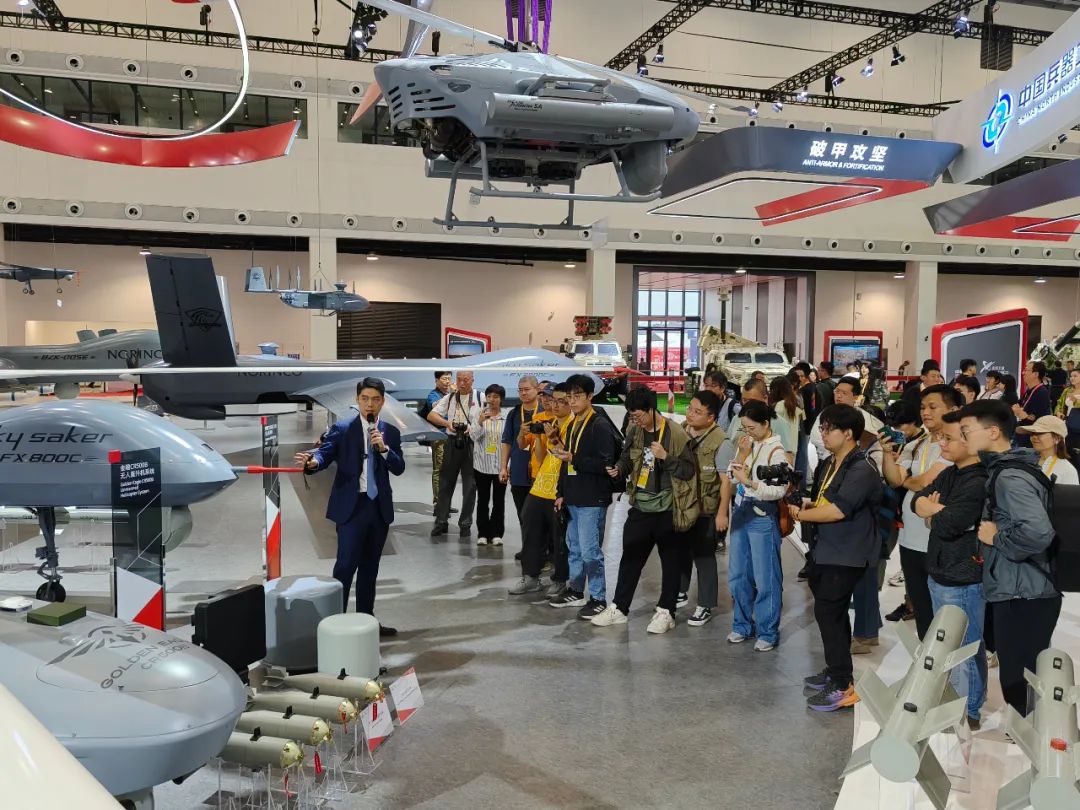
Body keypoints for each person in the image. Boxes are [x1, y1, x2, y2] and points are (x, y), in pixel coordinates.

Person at [961, 400, 1061, 715]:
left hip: (1024, 591)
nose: (963, 438)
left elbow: (1039, 532)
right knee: (1023, 675)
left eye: (967, 430)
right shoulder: (1008, 470)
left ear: (992, 432)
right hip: (1022, 587)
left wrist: (995, 538)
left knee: (1019, 681)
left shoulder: (1009, 477)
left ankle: (1036, 736)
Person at [295, 378, 405, 635]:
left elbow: (399, 467)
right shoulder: (343, 428)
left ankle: (367, 622)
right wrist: (313, 462)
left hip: (378, 508)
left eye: (375, 399)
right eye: (365, 399)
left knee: (370, 568)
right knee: (345, 566)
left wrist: (384, 449)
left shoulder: (390, 432)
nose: (370, 404)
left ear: (382, 402)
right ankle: (336, 625)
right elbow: (325, 453)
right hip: (352, 508)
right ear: (357, 400)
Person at [793, 404, 883, 711]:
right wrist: (807, 505)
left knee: (829, 613)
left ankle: (843, 686)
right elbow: (825, 501)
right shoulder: (830, 463)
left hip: (848, 553)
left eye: (828, 428)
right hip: (827, 549)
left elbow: (838, 510)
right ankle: (836, 672)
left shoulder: (862, 468)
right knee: (832, 614)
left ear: (848, 434)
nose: (823, 433)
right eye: (822, 427)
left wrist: (801, 514)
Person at [591, 387, 697, 634]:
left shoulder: (675, 433)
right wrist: (619, 469)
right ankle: (619, 608)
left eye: (638, 415)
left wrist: (666, 457)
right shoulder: (635, 431)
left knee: (670, 562)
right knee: (630, 558)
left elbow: (688, 470)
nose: (635, 420)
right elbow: (627, 458)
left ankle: (666, 611)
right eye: (631, 415)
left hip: (668, 507)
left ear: (651, 410)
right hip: (640, 504)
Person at [911, 411, 989, 729]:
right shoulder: (949, 473)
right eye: (941, 437)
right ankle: (952, 701)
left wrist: (936, 513)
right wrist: (935, 511)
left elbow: (952, 523)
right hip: (940, 570)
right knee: (946, 644)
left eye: (949, 438)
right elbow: (917, 501)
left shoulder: (979, 480)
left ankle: (969, 710)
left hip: (964, 577)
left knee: (966, 647)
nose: (941, 443)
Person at [880, 384, 962, 639]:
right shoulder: (917, 444)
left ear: (954, 409)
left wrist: (909, 480)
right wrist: (886, 455)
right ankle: (927, 655)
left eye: (933, 407)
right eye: (923, 407)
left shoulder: (957, 445)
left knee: (945, 610)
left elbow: (927, 482)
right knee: (921, 603)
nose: (925, 412)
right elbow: (895, 479)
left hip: (938, 539)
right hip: (910, 539)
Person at [549, 373, 622, 620]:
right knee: (575, 549)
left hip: (593, 497)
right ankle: (576, 590)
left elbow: (606, 464)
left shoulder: (599, 425)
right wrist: (561, 493)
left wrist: (574, 459)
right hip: (573, 495)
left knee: (591, 551)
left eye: (577, 396)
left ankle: (599, 598)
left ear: (590, 396)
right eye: (569, 396)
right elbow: (566, 462)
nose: (572, 401)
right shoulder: (572, 424)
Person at [724, 400, 788, 651]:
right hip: (741, 511)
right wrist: (741, 454)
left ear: (766, 423)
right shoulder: (748, 444)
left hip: (762, 515)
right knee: (737, 574)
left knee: (766, 577)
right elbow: (731, 476)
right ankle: (741, 625)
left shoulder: (777, 451)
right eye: (744, 428)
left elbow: (778, 491)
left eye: (751, 428)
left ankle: (768, 631)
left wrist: (749, 482)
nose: (747, 432)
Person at [509, 384, 573, 596]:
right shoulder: (549, 423)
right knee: (530, 528)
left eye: (561, 401)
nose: (555, 405)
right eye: (553, 400)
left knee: (559, 537)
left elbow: (569, 455)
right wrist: (538, 437)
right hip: (540, 485)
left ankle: (560, 579)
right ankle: (530, 576)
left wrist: (553, 438)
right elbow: (540, 457)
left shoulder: (574, 425)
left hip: (560, 487)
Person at [676, 391, 728, 626]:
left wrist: (722, 514)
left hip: (706, 509)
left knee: (704, 556)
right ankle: (680, 591)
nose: (690, 414)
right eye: (690, 408)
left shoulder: (721, 441)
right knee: (680, 550)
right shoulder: (681, 430)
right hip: (681, 505)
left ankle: (705, 604)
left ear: (711, 417)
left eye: (697, 412)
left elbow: (725, 482)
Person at [428, 371, 482, 538]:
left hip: (472, 442)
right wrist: (447, 423)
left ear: (472, 380)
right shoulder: (450, 397)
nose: (462, 383)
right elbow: (431, 415)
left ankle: (465, 524)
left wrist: (473, 427)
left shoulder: (480, 397)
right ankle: (441, 521)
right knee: (445, 483)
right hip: (451, 442)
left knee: (470, 486)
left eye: (466, 380)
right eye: (459, 379)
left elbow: (489, 417)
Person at [809, 377, 883, 470]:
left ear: (856, 397)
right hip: (828, 461)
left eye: (844, 393)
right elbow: (815, 437)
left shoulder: (862, 415)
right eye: (837, 392)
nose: (839, 396)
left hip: (854, 462)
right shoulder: (827, 413)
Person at [501, 376, 543, 524]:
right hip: (518, 471)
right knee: (523, 516)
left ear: (537, 390)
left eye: (527, 389)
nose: (523, 393)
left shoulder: (545, 411)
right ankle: (526, 540)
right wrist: (503, 467)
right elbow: (507, 442)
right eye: (520, 390)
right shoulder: (514, 413)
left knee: (539, 518)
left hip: (540, 471)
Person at [471, 384, 507, 546]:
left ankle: (497, 533)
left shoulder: (506, 417)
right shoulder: (478, 415)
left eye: (496, 397)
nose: (492, 400)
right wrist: (480, 422)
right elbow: (473, 437)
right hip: (482, 465)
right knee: (482, 500)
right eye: (489, 396)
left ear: (501, 399)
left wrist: (507, 465)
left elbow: (509, 442)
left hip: (500, 467)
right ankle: (482, 533)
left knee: (499, 501)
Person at [1018, 415, 1080, 485]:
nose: (1034, 437)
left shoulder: (1067, 470)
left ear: (1057, 438)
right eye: (1032, 433)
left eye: (1040, 433)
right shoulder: (1024, 459)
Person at [423, 371, 454, 509]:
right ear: (436, 380)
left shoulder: (451, 394)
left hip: (452, 436)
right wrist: (451, 395)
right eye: (444, 379)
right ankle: (438, 503)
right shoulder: (433, 395)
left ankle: (446, 502)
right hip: (439, 436)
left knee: (450, 471)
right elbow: (436, 407)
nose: (447, 381)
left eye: (449, 379)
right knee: (439, 469)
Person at [1013, 361, 1052, 448]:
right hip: (1022, 434)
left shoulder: (1041, 392)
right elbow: (1018, 405)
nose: (1023, 373)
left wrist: (1025, 416)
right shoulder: (1029, 390)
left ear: (1036, 374)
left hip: (1031, 440)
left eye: (1026, 370)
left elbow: (1040, 418)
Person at [769, 375, 803, 465]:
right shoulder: (793, 403)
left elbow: (774, 427)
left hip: (780, 446)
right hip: (792, 446)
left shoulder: (779, 406)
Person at [1056, 367, 1080, 467]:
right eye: (1071, 376)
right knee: (1067, 450)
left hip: (1078, 425)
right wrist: (1058, 412)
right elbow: (1059, 403)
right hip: (1067, 424)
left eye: (1075, 376)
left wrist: (1076, 401)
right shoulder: (1067, 390)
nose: (1072, 378)